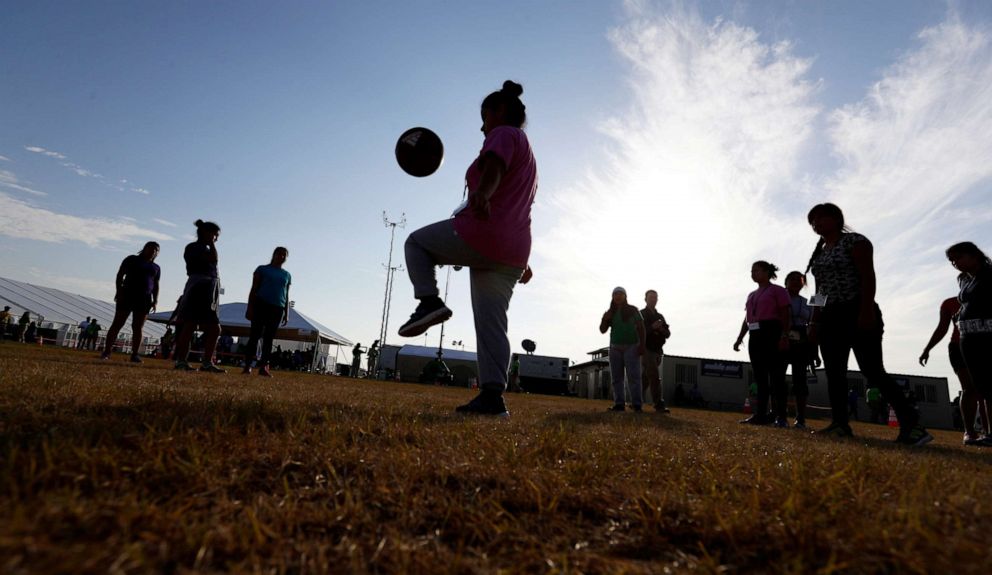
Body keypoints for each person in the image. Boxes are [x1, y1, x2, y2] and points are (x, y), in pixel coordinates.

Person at [397, 80, 537, 417]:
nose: (481, 125)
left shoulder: (504, 134)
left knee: (415, 243)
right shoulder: (529, 152)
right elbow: (518, 204)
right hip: (513, 250)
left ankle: (428, 302)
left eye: (483, 116)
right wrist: (522, 260)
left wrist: (484, 193)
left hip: (483, 234)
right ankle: (492, 398)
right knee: (492, 324)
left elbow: (494, 168)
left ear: (499, 111)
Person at [805, 203, 931, 444]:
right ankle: (840, 424)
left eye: (821, 218)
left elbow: (867, 276)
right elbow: (820, 290)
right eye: (812, 221)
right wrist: (814, 321)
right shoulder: (819, 253)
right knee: (834, 373)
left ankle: (913, 426)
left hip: (857, 310)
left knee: (872, 370)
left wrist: (865, 311)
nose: (816, 224)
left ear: (837, 219)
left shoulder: (856, 242)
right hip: (831, 317)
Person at [920, 295, 990, 444]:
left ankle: (987, 432)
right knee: (970, 388)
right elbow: (942, 328)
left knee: (985, 389)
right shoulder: (949, 303)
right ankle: (969, 432)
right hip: (958, 347)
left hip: (983, 345)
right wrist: (927, 349)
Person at [733, 261, 791, 427]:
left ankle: (781, 416)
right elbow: (747, 318)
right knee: (760, 377)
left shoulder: (778, 291)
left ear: (766, 272)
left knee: (776, 376)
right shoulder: (751, 295)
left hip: (772, 331)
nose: (753, 273)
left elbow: (785, 313)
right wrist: (740, 338)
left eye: (756, 270)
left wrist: (784, 335)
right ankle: (760, 415)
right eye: (752, 271)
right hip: (755, 334)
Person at [946, 241, 992, 446]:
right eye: (952, 261)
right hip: (967, 338)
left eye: (958, 258)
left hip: (988, 335)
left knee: (990, 386)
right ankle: (982, 432)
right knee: (980, 386)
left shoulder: (990, 274)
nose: (955, 263)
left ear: (973, 255)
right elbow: (967, 302)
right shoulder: (963, 279)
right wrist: (959, 315)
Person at [172, 220, 225, 373]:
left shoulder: (206, 248)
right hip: (198, 284)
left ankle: (207, 362)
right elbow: (213, 259)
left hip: (211, 286)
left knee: (215, 328)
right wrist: (212, 244)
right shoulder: (193, 247)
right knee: (190, 324)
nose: (216, 239)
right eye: (215, 235)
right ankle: (181, 360)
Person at [101, 241, 161, 362]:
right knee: (118, 323)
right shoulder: (132, 259)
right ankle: (107, 351)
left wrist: (155, 301)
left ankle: (135, 354)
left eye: (156, 250)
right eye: (151, 248)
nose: (153, 251)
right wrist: (119, 291)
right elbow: (120, 275)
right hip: (127, 294)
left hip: (144, 298)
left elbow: (156, 284)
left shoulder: (156, 267)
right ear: (144, 248)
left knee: (138, 327)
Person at [242, 247, 292, 377]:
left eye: (284, 255)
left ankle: (263, 366)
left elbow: (286, 294)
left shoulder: (287, 275)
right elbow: (254, 288)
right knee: (255, 336)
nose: (281, 257)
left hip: (277, 308)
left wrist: (287, 313)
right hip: (261, 304)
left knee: (269, 339)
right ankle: (247, 365)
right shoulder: (262, 269)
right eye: (279, 254)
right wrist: (250, 307)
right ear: (274, 255)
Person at [600, 287, 646, 412]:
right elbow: (602, 330)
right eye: (615, 294)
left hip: (632, 347)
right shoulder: (610, 312)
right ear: (612, 297)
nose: (618, 296)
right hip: (615, 347)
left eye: (620, 294)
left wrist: (642, 345)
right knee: (616, 378)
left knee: (634, 377)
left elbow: (641, 328)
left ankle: (637, 405)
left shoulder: (633, 310)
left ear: (625, 296)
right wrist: (605, 318)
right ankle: (619, 404)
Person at [783, 271, 819, 428]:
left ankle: (800, 419)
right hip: (782, 340)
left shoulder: (809, 301)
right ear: (786, 282)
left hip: (801, 343)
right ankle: (779, 415)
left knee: (800, 381)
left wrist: (814, 351)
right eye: (793, 279)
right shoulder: (778, 296)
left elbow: (814, 327)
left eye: (800, 280)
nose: (796, 282)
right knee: (777, 378)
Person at [640, 289, 671, 412]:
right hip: (646, 349)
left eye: (655, 297)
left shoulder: (660, 316)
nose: (653, 299)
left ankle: (635, 400)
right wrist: (652, 327)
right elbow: (638, 332)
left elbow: (667, 334)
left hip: (658, 350)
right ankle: (659, 404)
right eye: (651, 297)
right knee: (654, 375)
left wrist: (662, 329)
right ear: (645, 299)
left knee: (646, 378)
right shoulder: (641, 314)